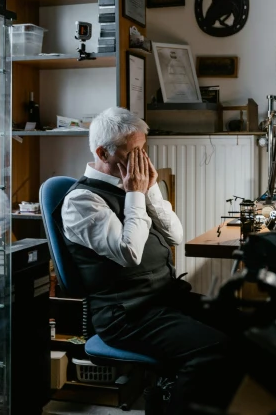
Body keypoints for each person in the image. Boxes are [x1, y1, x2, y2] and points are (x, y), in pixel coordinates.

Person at [58, 107, 242, 413]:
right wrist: (135, 195)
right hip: (127, 314)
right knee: (214, 351)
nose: (142, 162)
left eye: (145, 151)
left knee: (244, 325)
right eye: (135, 152)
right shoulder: (81, 201)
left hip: (163, 298)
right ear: (103, 152)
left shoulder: (136, 189)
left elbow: (176, 236)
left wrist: (151, 190)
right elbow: (130, 253)